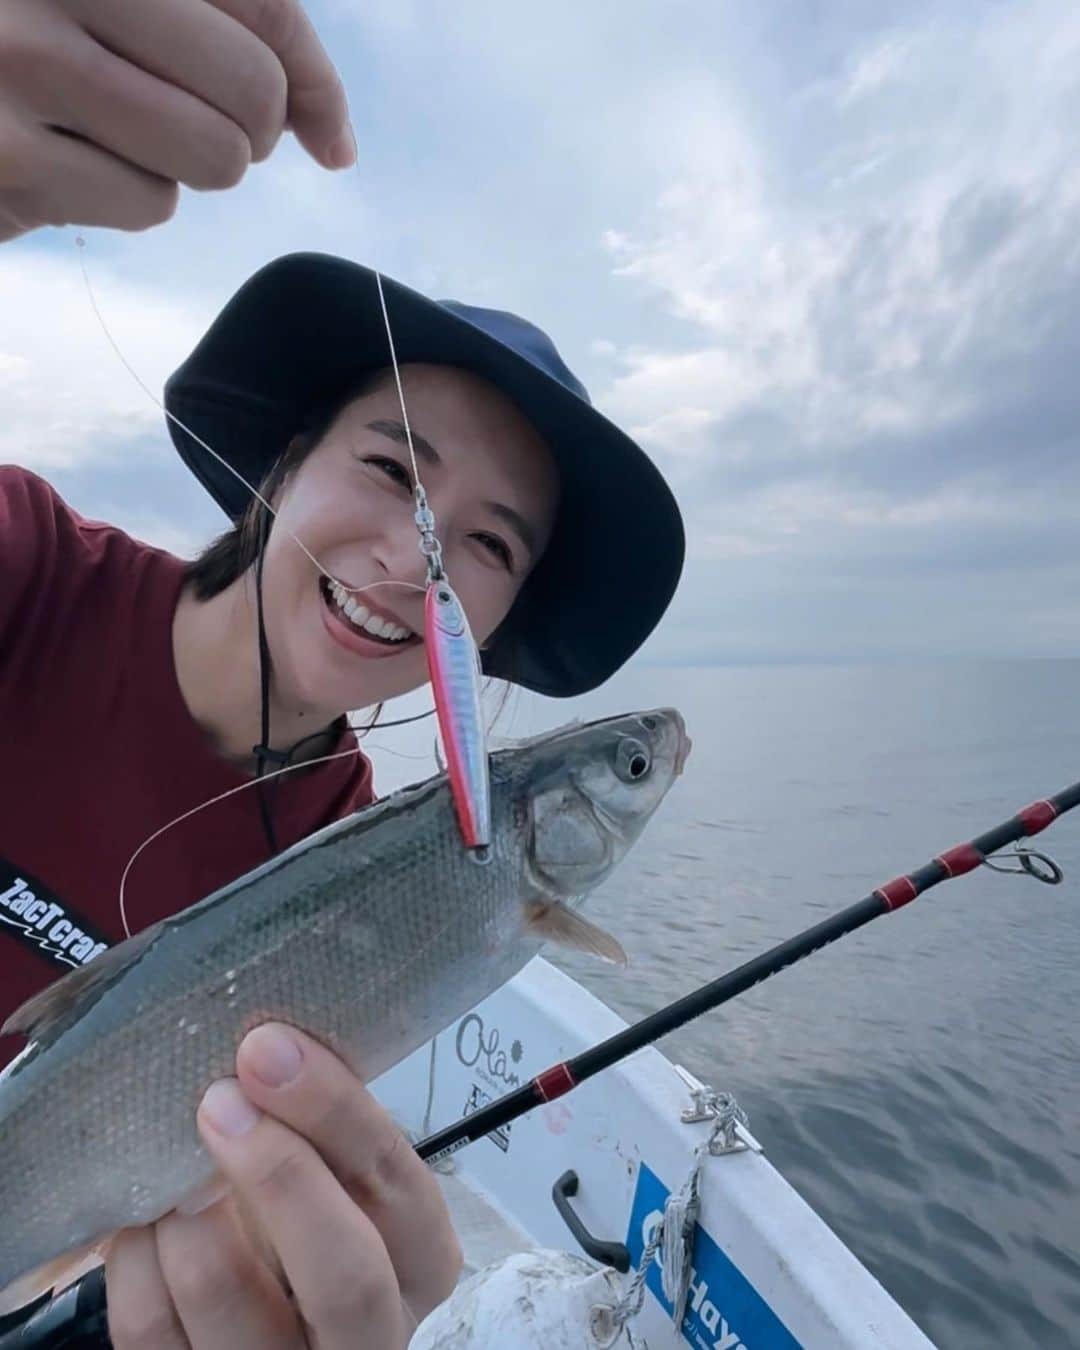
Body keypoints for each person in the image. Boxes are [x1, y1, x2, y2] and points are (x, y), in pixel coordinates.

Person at [0, 2, 684, 1347]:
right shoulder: (26, 568)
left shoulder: (362, 843)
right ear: (279, 467)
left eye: (487, 543)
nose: (417, 555)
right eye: (392, 469)